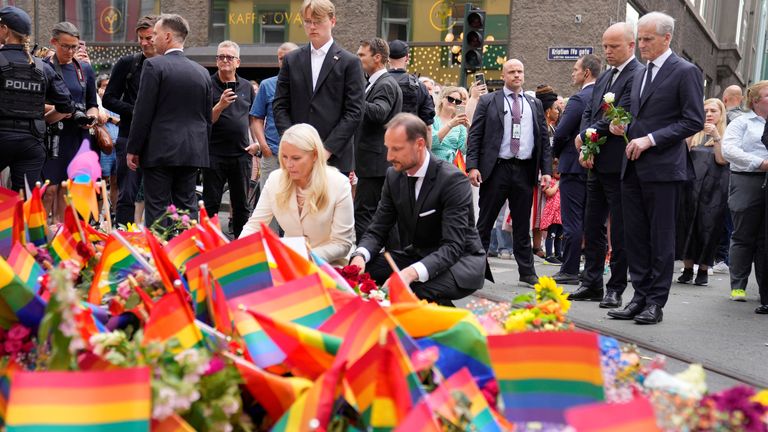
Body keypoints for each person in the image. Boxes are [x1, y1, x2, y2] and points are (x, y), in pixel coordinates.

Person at [607, 12, 704, 324]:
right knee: (634, 235)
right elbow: (643, 116)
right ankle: (639, 296)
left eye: (648, 39)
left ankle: (655, 302)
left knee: (660, 237)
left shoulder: (685, 71)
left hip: (664, 170)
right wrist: (625, 126)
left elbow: (693, 120)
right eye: (641, 39)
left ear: (667, 38)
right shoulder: (640, 73)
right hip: (632, 167)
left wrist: (650, 139)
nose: (642, 45)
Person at [350, 113, 488, 305]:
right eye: (388, 148)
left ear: (420, 144)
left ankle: (454, 325)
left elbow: (453, 246)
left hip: (460, 261)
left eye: (396, 149)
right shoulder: (393, 175)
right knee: (355, 275)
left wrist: (410, 273)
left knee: (412, 290)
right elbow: (378, 229)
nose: (389, 157)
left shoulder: (453, 180)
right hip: (418, 254)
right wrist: (359, 256)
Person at [571, 22, 642, 308]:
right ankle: (591, 283)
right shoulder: (605, 76)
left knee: (620, 229)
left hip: (619, 163)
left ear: (630, 46)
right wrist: (587, 145)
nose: (608, 52)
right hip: (596, 161)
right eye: (605, 47)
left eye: (614, 46)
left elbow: (620, 113)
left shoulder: (636, 74)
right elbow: (591, 110)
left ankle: (615, 287)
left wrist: (587, 137)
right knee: (592, 224)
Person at [466, 59, 553, 288]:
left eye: (520, 71)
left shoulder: (534, 104)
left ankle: (527, 272)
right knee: (484, 222)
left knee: (522, 224)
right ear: (503, 76)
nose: (516, 75)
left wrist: (547, 171)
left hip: (524, 170)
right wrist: (472, 166)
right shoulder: (489, 101)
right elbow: (475, 135)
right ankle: (475, 269)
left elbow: (543, 139)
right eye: (512, 72)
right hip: (497, 169)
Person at [126, 14, 212, 227]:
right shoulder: (202, 72)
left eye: (155, 34)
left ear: (167, 36)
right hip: (192, 151)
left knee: (157, 208)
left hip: (159, 152)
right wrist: (201, 148)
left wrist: (133, 148)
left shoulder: (154, 66)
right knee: (187, 207)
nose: (152, 39)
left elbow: (143, 112)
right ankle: (188, 254)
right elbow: (206, 118)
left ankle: (160, 257)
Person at [240, 123, 354, 266]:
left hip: (329, 266)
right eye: (284, 157)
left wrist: (303, 256)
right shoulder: (275, 179)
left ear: (314, 155)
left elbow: (342, 244)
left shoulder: (339, 184)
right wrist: (237, 254)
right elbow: (254, 226)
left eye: (296, 158)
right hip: (288, 263)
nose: (288, 164)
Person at [272, 0, 364, 174]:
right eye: (307, 22)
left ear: (333, 21)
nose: (312, 27)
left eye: (318, 21)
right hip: (296, 158)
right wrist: (294, 144)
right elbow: (280, 105)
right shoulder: (291, 60)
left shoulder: (349, 62)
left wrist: (326, 149)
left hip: (334, 158)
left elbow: (354, 112)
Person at [0, 6, 73, 192]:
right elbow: (67, 106)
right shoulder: (41, 67)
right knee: (26, 204)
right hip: (31, 143)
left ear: (5, 29)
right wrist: (42, 121)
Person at [42, 21, 100, 223]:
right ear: (54, 42)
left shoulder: (84, 69)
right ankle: (38, 236)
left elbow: (92, 103)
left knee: (69, 189)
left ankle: (60, 233)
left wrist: (91, 117)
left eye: (74, 46)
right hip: (53, 135)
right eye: (65, 46)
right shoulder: (43, 67)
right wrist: (61, 110)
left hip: (78, 135)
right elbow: (35, 105)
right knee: (49, 189)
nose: (70, 51)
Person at [103, 15, 158, 225]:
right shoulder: (128, 63)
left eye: (149, 37)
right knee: (127, 192)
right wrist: (136, 111)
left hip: (159, 140)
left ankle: (156, 242)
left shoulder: (167, 63)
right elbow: (108, 98)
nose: (144, 43)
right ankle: (123, 238)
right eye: (140, 38)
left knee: (158, 195)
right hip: (128, 136)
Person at [551, 54, 599, 282]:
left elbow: (560, 132)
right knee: (592, 221)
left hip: (573, 165)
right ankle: (590, 270)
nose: (572, 73)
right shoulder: (603, 98)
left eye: (575, 69)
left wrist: (555, 155)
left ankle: (569, 269)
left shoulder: (579, 99)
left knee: (572, 221)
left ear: (586, 73)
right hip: (595, 167)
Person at [722, 81, 768, 313]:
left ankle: (764, 291)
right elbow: (728, 149)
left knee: (764, 239)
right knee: (743, 235)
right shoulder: (742, 122)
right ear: (755, 100)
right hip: (747, 179)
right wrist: (759, 162)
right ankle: (738, 285)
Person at [202, 40, 256, 238]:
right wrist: (220, 105)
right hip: (214, 153)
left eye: (229, 57)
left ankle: (241, 245)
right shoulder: (207, 84)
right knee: (211, 203)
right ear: (216, 61)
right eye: (221, 57)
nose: (225, 60)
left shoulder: (247, 87)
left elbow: (253, 118)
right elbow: (205, 120)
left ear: (238, 62)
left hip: (241, 154)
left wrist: (256, 143)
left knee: (241, 204)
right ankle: (208, 244)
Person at [676, 98, 729, 287]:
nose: (709, 114)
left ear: (721, 114)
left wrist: (716, 136)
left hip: (714, 188)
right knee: (687, 224)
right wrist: (692, 130)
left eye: (713, 110)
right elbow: (682, 152)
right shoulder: (695, 132)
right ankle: (688, 267)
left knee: (709, 226)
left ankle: (704, 269)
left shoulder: (725, 133)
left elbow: (722, 160)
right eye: (705, 110)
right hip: (691, 185)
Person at [353, 37, 402, 242]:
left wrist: (354, 98)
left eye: (362, 55)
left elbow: (379, 113)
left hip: (375, 165)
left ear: (378, 57)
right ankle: (393, 260)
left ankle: (367, 260)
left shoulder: (385, 84)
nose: (359, 59)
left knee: (364, 214)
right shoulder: (373, 83)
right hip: (373, 163)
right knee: (383, 216)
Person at [250, 42, 298, 232]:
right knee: (270, 203)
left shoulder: (307, 85)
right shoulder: (267, 85)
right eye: (281, 58)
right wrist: (263, 146)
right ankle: (270, 247)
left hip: (298, 156)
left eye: (288, 58)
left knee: (296, 203)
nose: (284, 61)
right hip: (273, 154)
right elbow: (256, 118)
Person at [531, 85, 559, 260]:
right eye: (556, 108)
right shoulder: (542, 127)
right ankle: (535, 245)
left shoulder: (552, 129)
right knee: (536, 210)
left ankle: (538, 245)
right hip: (539, 172)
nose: (558, 111)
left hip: (549, 171)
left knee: (542, 210)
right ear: (548, 111)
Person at [387, 39, 435, 125]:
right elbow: (427, 123)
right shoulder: (420, 86)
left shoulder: (377, 82)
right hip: (411, 135)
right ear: (407, 58)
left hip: (384, 136)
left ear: (387, 58)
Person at [96, 74, 119, 215]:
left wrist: (109, 118)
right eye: (104, 86)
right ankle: (98, 215)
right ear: (98, 88)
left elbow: (120, 120)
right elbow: (98, 120)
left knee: (116, 181)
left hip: (118, 146)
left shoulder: (116, 102)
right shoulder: (96, 103)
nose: (106, 89)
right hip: (103, 148)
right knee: (102, 182)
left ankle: (115, 212)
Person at [431, 86, 469, 163]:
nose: (454, 102)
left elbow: (464, 150)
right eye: (450, 99)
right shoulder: (432, 119)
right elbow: (432, 142)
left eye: (457, 101)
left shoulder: (459, 123)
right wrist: (450, 125)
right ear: (442, 99)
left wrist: (469, 130)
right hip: (433, 162)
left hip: (451, 165)